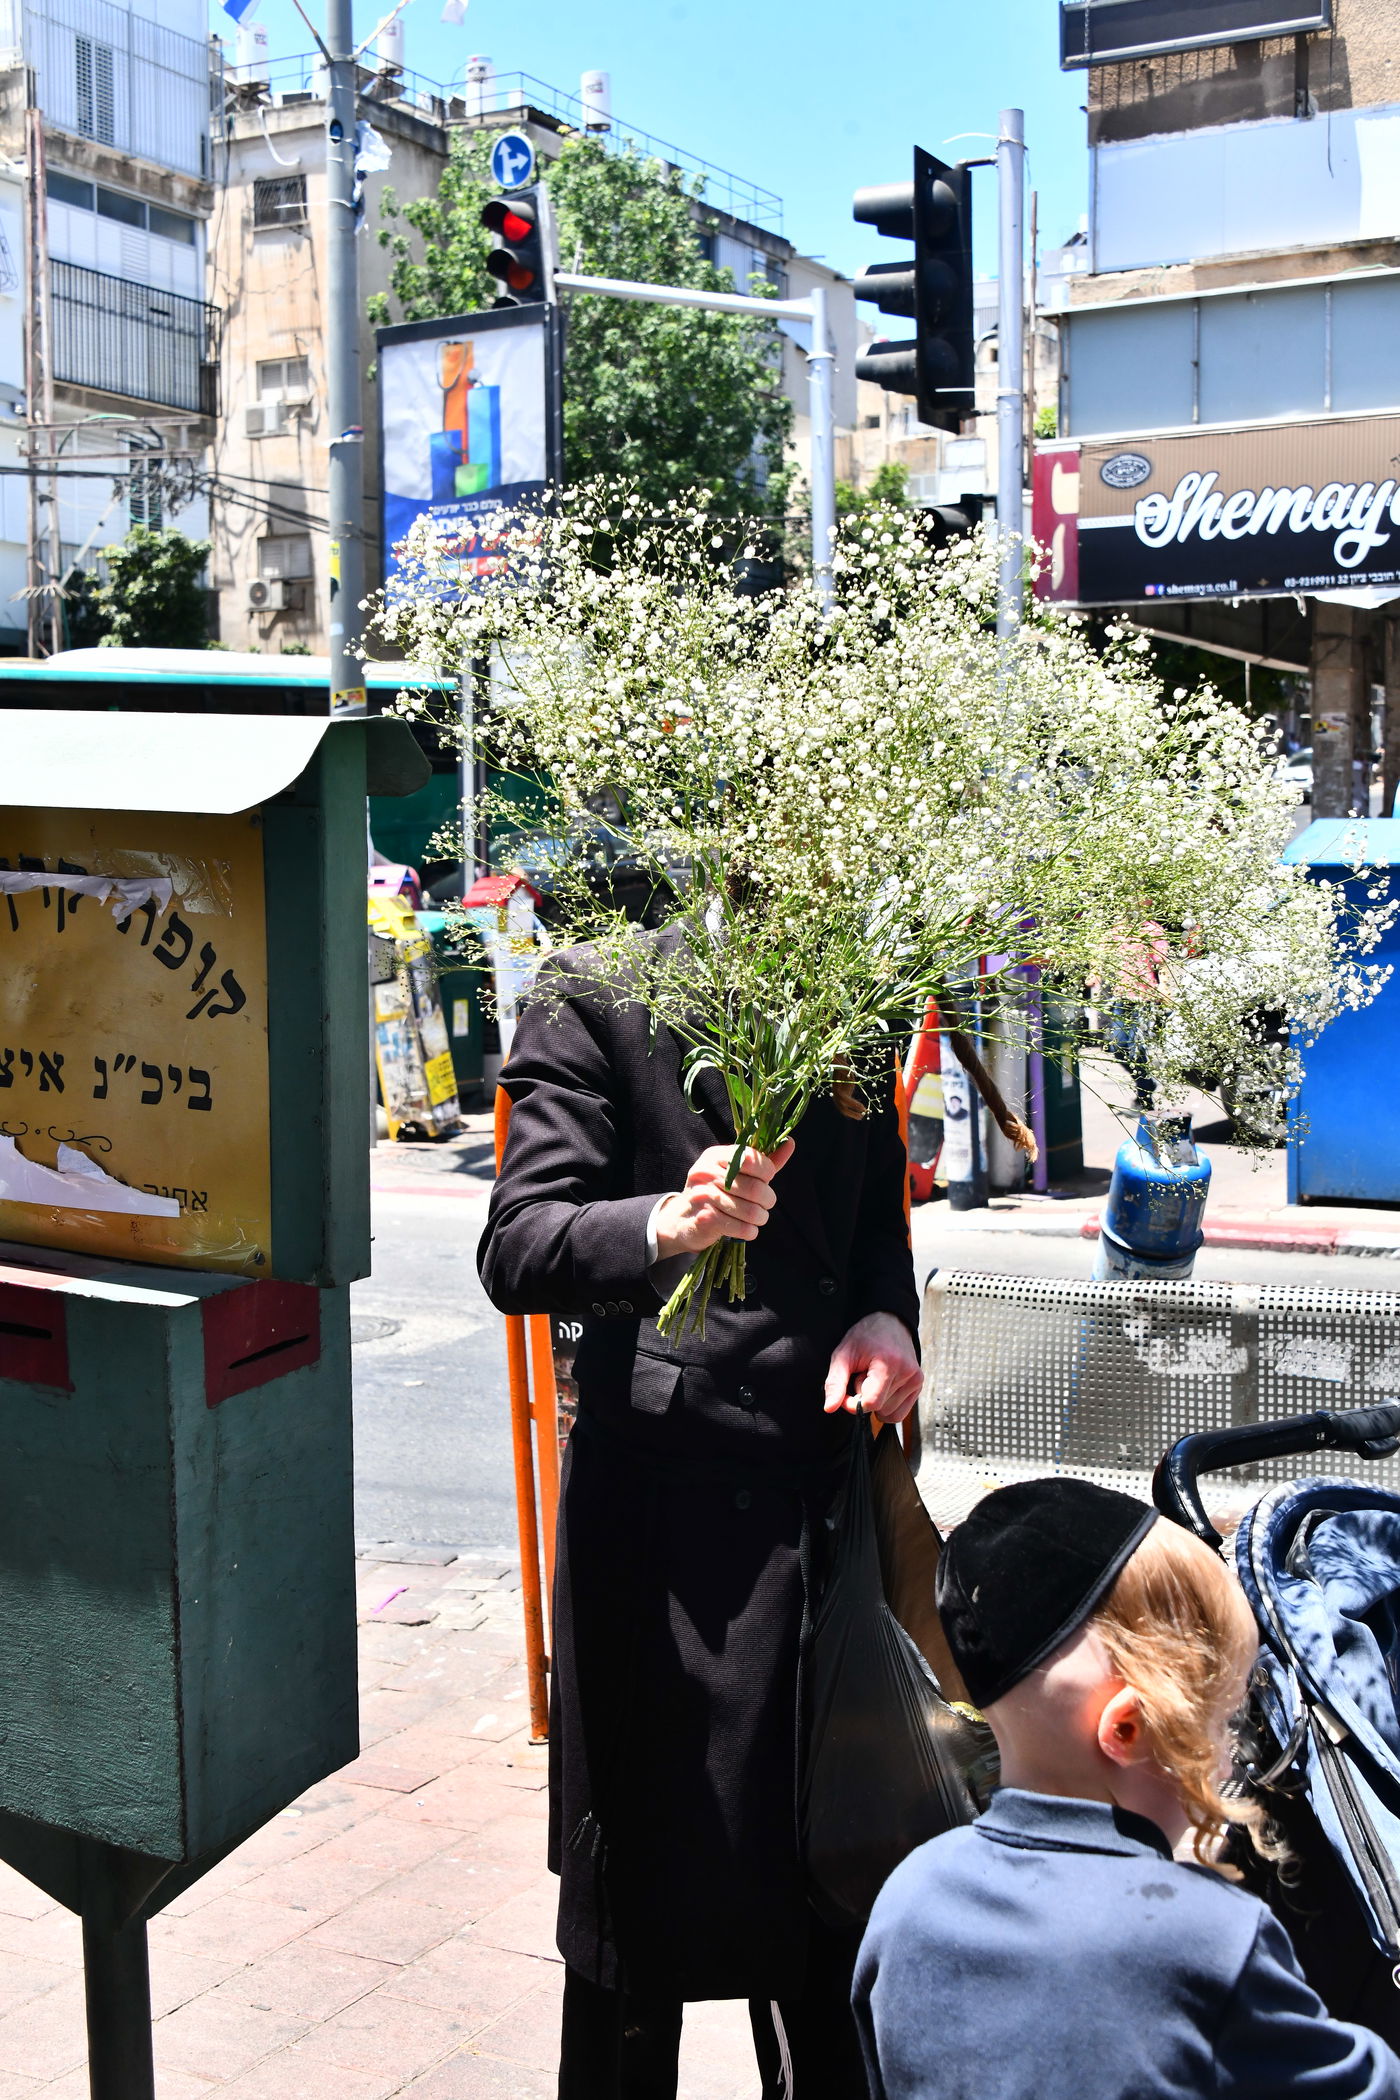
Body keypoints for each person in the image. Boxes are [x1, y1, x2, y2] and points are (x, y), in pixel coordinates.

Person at [478, 938, 922, 2100]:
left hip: (817, 1507)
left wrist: (886, 1319)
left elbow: (877, 1213)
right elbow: (518, 1244)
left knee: (827, 1890)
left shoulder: (860, 977)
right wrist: (668, 1225)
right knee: (637, 1925)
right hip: (662, 1543)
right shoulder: (597, 984)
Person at [854, 1477, 1400, 2100]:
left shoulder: (909, 1898)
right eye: (1225, 1723)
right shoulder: (1207, 1936)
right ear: (1131, 1727)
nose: (1231, 1758)